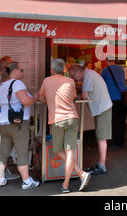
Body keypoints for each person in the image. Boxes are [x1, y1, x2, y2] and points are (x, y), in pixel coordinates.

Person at [39, 59, 91, 192]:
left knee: (57, 150)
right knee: (70, 151)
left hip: (57, 119)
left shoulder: (46, 81)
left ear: (52, 69)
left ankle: (78, 176)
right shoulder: (70, 81)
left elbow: (41, 97)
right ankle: (69, 182)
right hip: (72, 118)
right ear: (64, 70)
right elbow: (73, 96)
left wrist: (48, 99)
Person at [0, 61, 39, 190]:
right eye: (22, 70)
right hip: (18, 124)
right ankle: (26, 181)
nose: (23, 73)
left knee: (3, 152)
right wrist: (35, 98)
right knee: (22, 152)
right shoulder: (17, 83)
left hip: (3, 123)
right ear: (15, 71)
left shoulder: (0, 85)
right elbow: (26, 101)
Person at [70, 65, 113, 176]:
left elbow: (84, 96)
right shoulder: (90, 74)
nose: (74, 78)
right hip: (102, 108)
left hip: (102, 109)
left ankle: (102, 165)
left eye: (73, 76)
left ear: (78, 72)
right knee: (100, 137)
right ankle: (101, 163)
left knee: (101, 137)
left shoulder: (88, 76)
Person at [0, 56, 20, 181]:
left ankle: (2, 171)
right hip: (2, 117)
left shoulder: (1, 81)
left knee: (3, 144)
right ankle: (0, 173)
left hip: (2, 116)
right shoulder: (0, 82)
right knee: (1, 145)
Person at [101, 58, 127, 150]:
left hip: (113, 99)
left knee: (114, 121)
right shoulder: (121, 68)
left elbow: (101, 83)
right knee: (122, 121)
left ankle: (115, 143)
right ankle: (121, 142)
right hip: (124, 98)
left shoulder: (105, 70)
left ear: (106, 61)